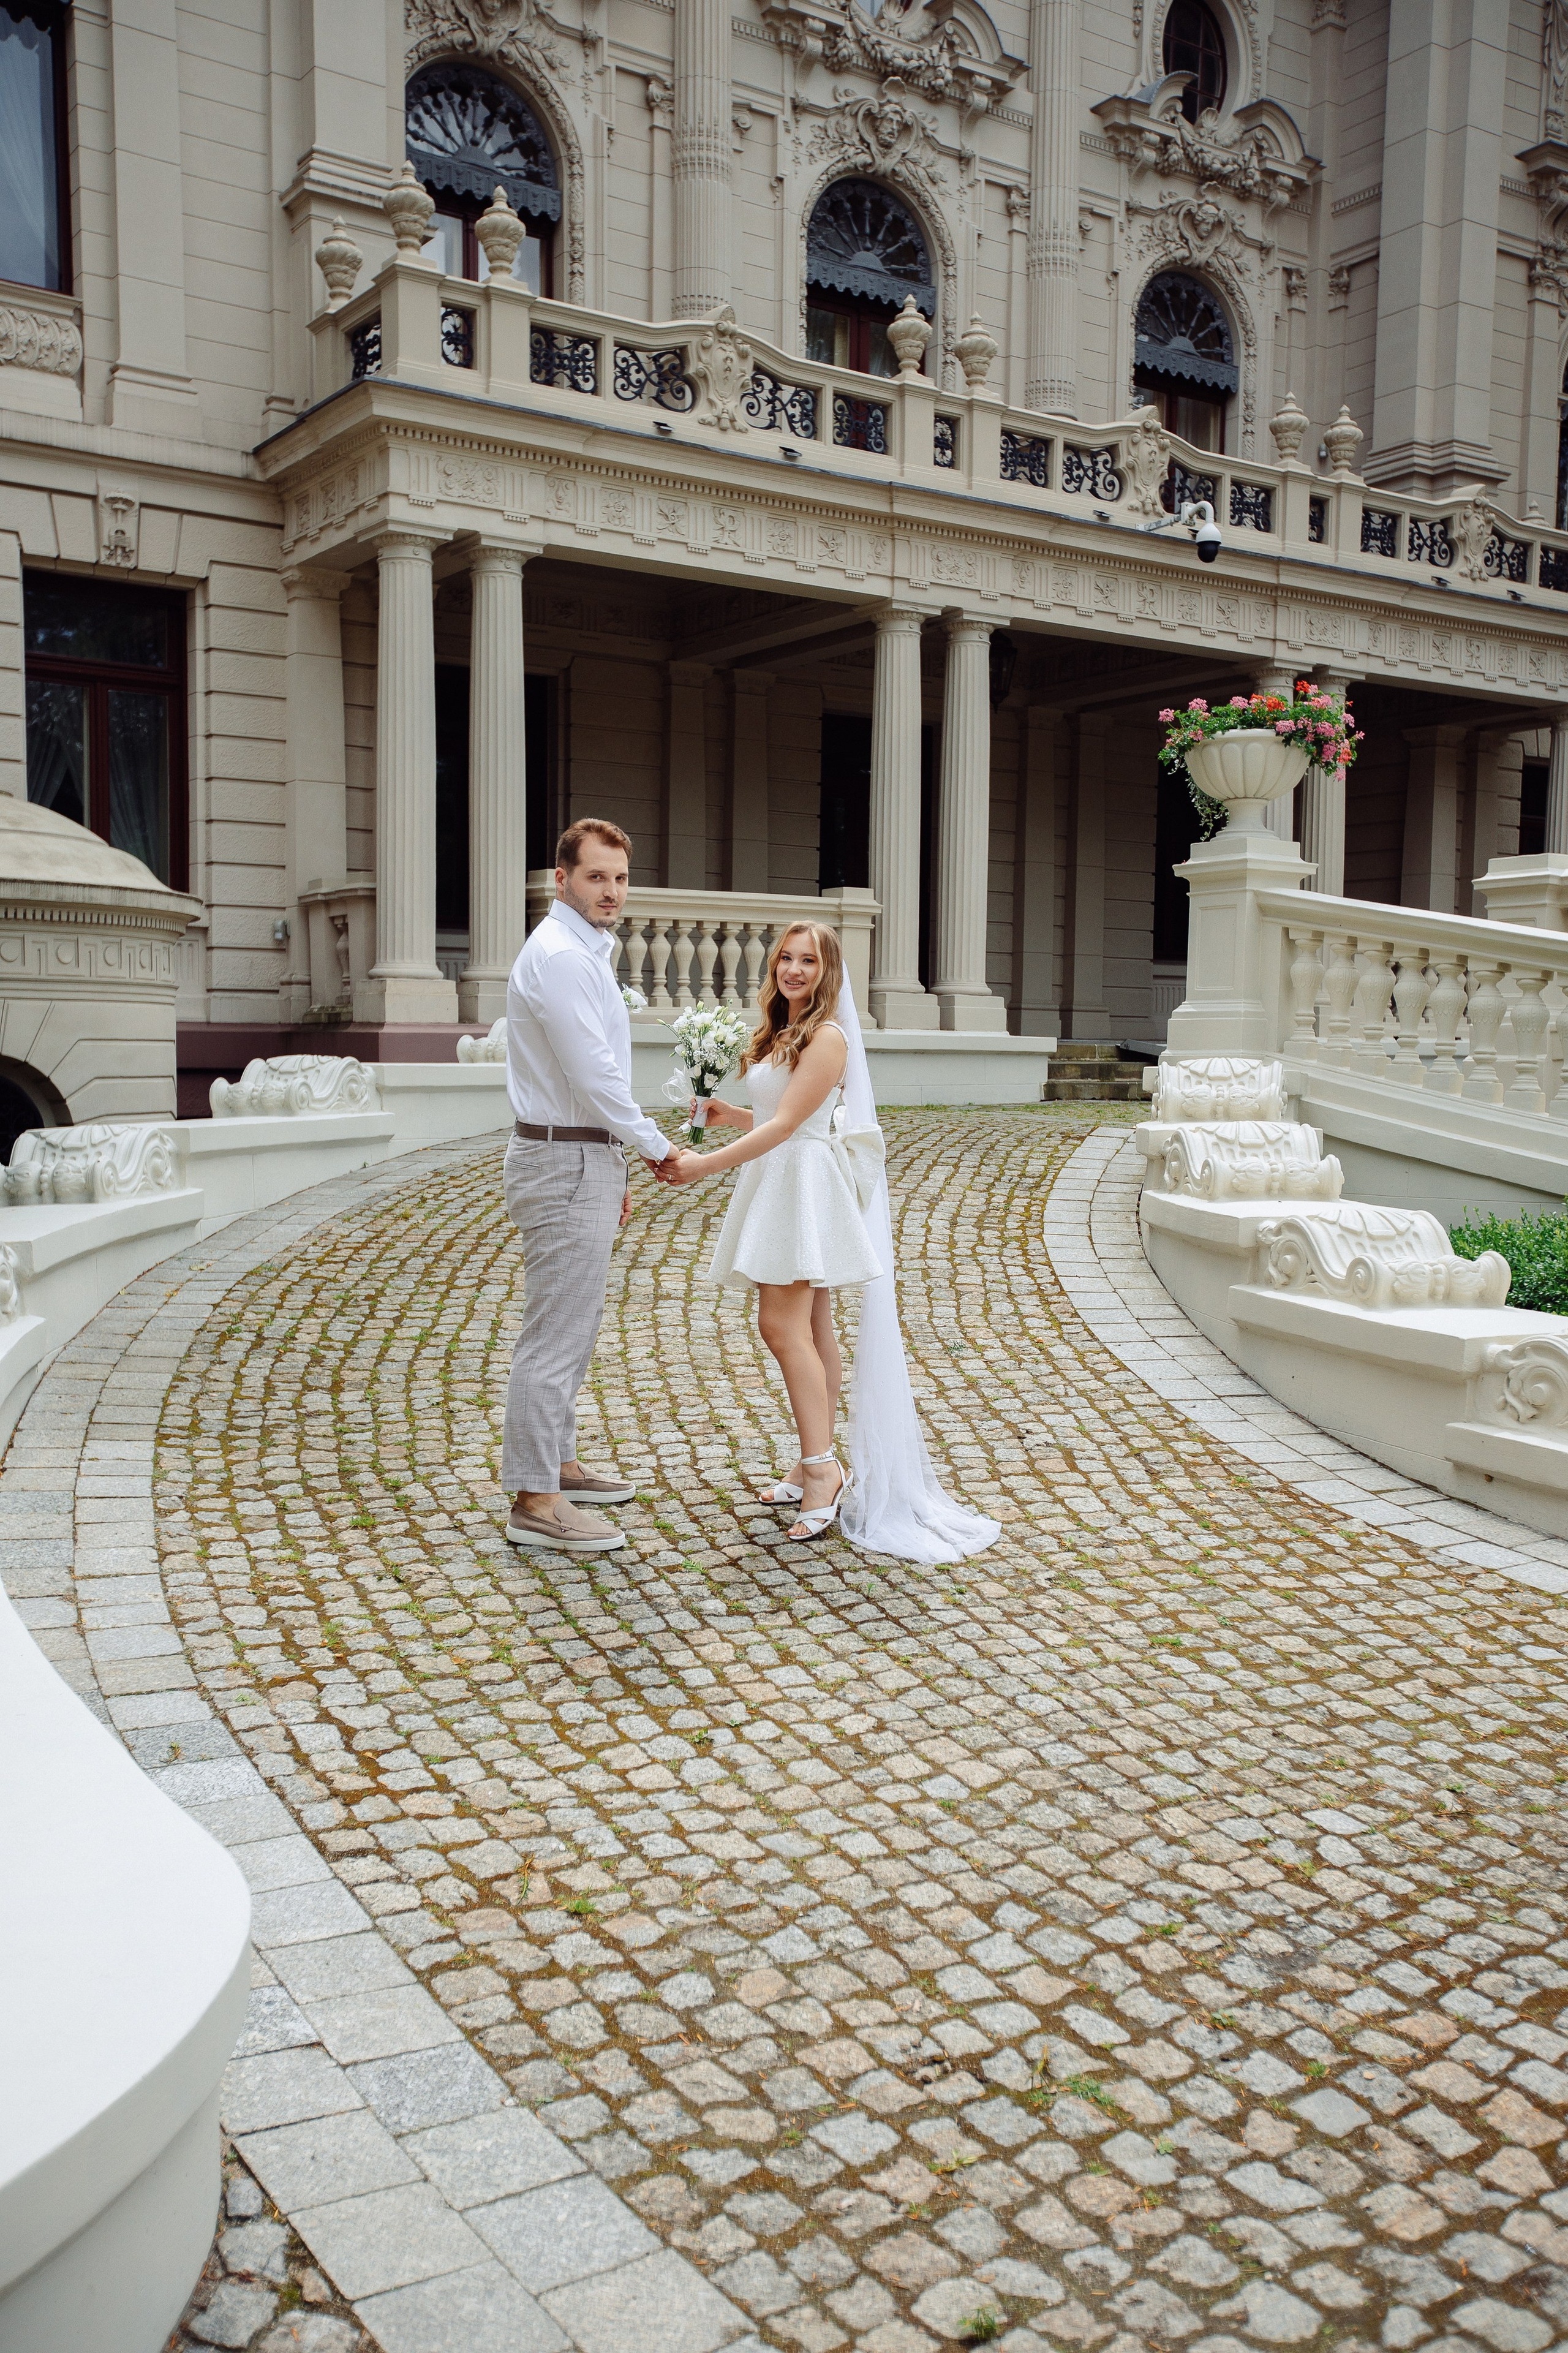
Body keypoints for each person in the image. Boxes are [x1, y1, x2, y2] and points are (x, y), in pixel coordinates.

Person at [666, 923, 1000, 1565]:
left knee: (779, 1326)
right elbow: (776, 1116)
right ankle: (811, 1458)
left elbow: (793, 1125)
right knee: (814, 1330)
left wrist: (703, 1166)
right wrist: (725, 1116)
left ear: (827, 970)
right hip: (782, 1174)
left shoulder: (827, 1037)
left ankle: (822, 1469)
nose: (794, 970)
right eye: (786, 959)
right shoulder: (781, 1031)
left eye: (808, 960)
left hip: (802, 1186)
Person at [501, 817, 679, 1554]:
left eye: (619, 877)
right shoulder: (563, 957)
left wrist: (613, 1157)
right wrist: (654, 1147)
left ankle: (558, 1465)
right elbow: (593, 1076)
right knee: (555, 1333)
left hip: (581, 1154)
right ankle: (536, 1502)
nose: (610, 891)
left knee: (574, 1327)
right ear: (561, 879)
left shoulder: (583, 950)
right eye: (596, 876)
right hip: (563, 1158)